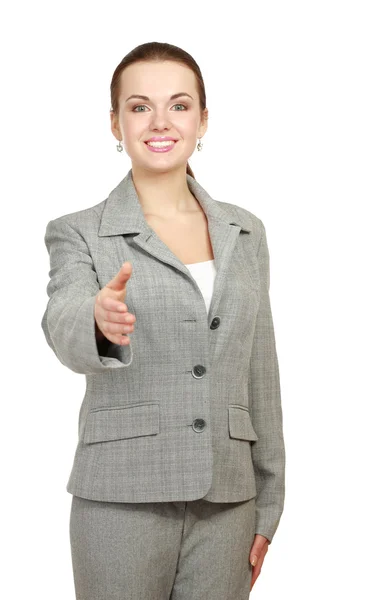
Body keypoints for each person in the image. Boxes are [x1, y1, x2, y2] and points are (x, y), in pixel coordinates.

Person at [41, 41, 286, 600]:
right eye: (138, 106)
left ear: (203, 120)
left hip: (228, 501)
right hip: (121, 497)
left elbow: (261, 367)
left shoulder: (245, 231)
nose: (159, 122)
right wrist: (98, 320)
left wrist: (268, 503)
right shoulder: (77, 230)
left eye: (178, 105)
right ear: (115, 123)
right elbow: (63, 320)